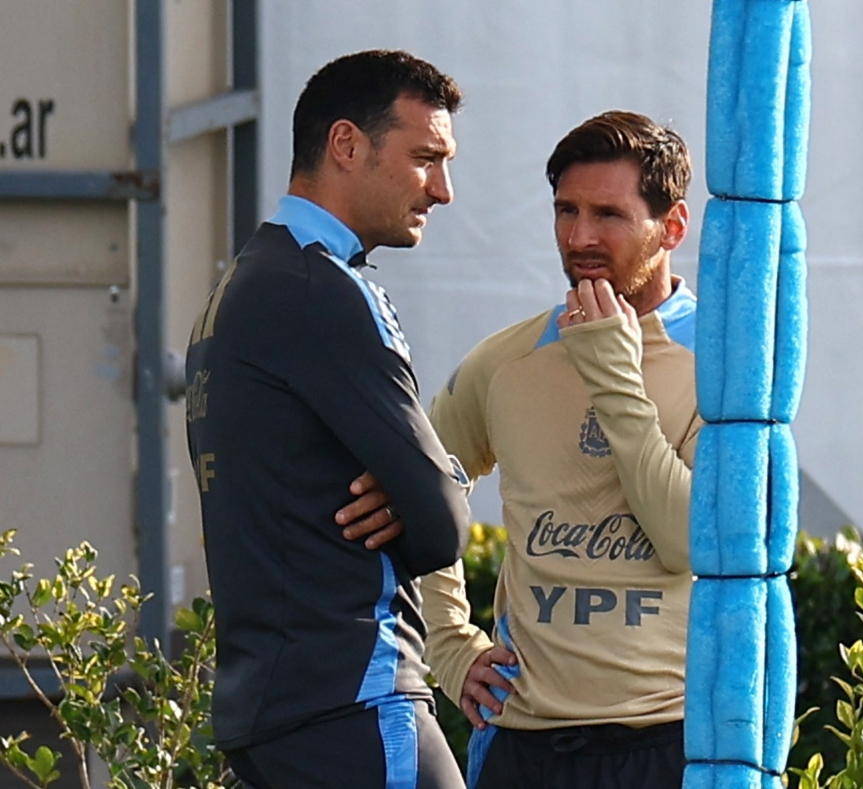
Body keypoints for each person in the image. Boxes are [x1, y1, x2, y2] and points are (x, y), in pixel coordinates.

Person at [339, 110, 702, 789]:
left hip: (670, 741)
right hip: (523, 744)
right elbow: (411, 494)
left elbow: (687, 539)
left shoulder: (721, 370)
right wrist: (449, 644)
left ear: (673, 226)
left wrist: (613, 375)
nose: (580, 237)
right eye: (567, 211)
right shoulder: (506, 362)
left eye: (608, 215)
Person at [185, 50, 472, 789]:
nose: (443, 190)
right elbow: (442, 526)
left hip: (271, 713)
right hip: (354, 702)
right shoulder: (326, 286)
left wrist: (419, 482)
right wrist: (433, 482)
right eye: (425, 159)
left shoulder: (244, 281)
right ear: (346, 143)